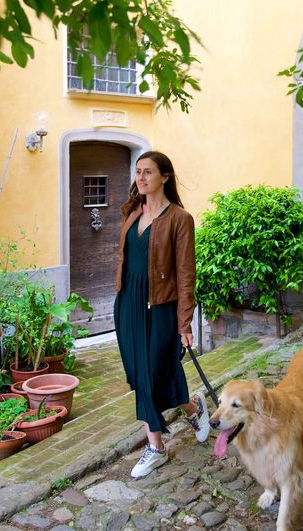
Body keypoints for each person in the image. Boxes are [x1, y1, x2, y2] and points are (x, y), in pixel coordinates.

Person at [114, 150, 210, 478]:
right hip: (128, 303)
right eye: (138, 172)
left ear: (165, 177)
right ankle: (186, 415)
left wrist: (185, 322)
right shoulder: (132, 211)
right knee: (144, 373)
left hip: (161, 306)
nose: (141, 178)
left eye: (148, 172)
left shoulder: (179, 219)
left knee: (156, 370)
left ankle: (161, 443)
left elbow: (186, 274)